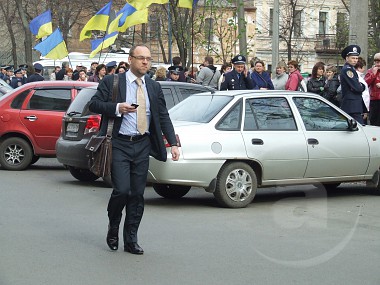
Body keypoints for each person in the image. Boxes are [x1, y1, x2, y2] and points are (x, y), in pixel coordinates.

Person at [88, 44, 180, 255]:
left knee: (137, 194)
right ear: (130, 60)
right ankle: (113, 226)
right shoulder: (112, 82)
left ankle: (131, 239)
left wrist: (173, 143)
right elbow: (94, 104)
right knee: (122, 190)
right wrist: (117, 108)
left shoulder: (154, 87)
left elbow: (163, 116)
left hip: (142, 144)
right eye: (141, 58)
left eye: (148, 58)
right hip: (119, 143)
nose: (145, 62)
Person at [340, 45, 366, 124]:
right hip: (352, 106)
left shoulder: (351, 69)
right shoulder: (348, 70)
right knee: (360, 129)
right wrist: (363, 86)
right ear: (347, 58)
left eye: (356, 58)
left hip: (354, 105)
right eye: (353, 58)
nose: (355, 60)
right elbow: (357, 87)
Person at [365, 53, 380, 126]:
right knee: (374, 121)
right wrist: (373, 74)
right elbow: (365, 84)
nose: (378, 64)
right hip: (374, 100)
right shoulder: (370, 71)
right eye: (377, 62)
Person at [355, 57, 370, 124]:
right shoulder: (358, 77)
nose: (364, 69)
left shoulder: (360, 77)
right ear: (359, 68)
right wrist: (365, 110)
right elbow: (364, 96)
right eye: (363, 67)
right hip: (361, 107)